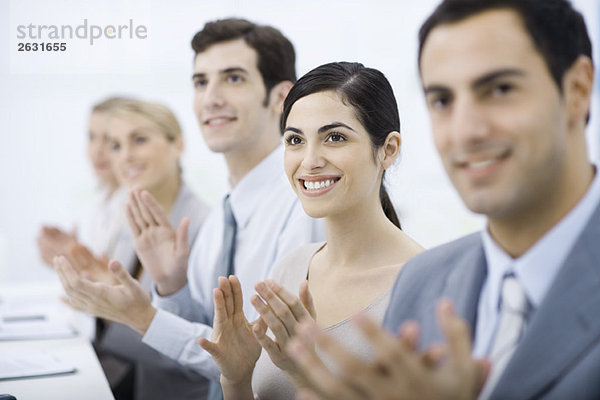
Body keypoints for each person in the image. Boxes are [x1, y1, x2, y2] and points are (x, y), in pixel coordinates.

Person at [285, 0, 599, 399]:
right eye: (443, 101)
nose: (465, 131)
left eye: (500, 90)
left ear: (577, 90)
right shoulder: (423, 282)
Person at [54, 18, 324, 398]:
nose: (211, 98)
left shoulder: (302, 207)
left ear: (281, 97)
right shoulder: (221, 216)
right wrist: (171, 285)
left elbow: (261, 362)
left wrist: (142, 316)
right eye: (201, 82)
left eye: (233, 78)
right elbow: (207, 338)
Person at [198, 61, 424, 399]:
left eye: (335, 137)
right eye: (295, 140)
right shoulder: (291, 267)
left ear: (388, 150)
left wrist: (306, 377)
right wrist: (236, 380)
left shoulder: (424, 285)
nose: (309, 160)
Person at [69, 98, 211, 400]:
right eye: (116, 146)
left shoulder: (203, 228)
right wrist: (100, 295)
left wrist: (116, 312)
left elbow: (200, 357)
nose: (125, 156)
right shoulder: (131, 219)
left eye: (140, 140)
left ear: (178, 144)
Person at [37, 97, 125, 268]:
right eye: (91, 137)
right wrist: (74, 254)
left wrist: (80, 260)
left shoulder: (136, 204)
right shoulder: (101, 202)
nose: (97, 150)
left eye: (109, 139)